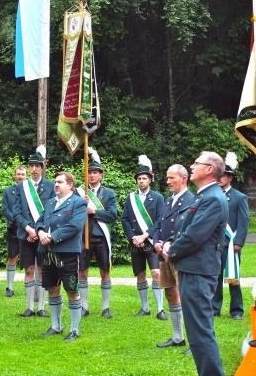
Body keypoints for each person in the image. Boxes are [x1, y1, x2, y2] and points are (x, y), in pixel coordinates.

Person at [164, 151, 228, 376]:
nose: (192, 166)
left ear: (209, 169)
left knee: (200, 328)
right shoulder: (205, 196)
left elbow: (195, 235)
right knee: (197, 327)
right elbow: (187, 229)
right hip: (194, 268)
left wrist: (172, 250)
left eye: (197, 163)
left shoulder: (212, 199)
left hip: (199, 270)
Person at [36, 171, 87, 341]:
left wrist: (52, 236)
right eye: (55, 182)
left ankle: (74, 330)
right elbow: (40, 220)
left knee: (71, 290)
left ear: (70, 185)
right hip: (48, 252)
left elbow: (75, 226)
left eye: (60, 182)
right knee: (52, 288)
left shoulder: (78, 203)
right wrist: (40, 232)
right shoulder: (50, 202)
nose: (56, 185)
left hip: (68, 252)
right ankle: (55, 326)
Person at [152, 164, 194, 348]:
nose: (168, 181)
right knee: (170, 292)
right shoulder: (168, 201)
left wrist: (168, 242)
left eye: (172, 178)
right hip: (164, 254)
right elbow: (159, 224)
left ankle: (194, 340)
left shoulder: (191, 200)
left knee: (186, 295)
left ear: (184, 179)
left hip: (180, 254)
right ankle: (178, 337)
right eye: (167, 177)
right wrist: (156, 242)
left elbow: (187, 229)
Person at [121, 155, 165, 319]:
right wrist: (133, 237)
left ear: (150, 180)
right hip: (136, 243)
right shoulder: (131, 198)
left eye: (144, 178)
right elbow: (125, 219)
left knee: (156, 273)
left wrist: (145, 236)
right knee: (140, 275)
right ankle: (145, 308)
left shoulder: (158, 197)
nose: (141, 181)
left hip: (151, 241)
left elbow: (160, 220)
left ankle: (160, 309)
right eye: (139, 178)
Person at [12, 146, 54, 317]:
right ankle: (29, 307)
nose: (34, 169)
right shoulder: (22, 187)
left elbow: (52, 211)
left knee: (42, 270)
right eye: (32, 166)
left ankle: (42, 307)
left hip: (43, 235)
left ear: (42, 168)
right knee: (29, 270)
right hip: (26, 234)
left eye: (37, 166)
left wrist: (39, 231)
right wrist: (29, 229)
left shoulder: (51, 186)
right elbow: (16, 212)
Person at [78, 148, 118, 318]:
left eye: (95, 172)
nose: (92, 175)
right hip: (83, 237)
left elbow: (112, 215)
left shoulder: (109, 193)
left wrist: (93, 211)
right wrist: (81, 205)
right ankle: (84, 306)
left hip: (101, 238)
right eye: (89, 172)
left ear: (101, 175)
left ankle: (105, 307)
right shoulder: (79, 193)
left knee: (105, 271)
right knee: (82, 271)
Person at [212, 152, 249, 319]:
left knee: (234, 279)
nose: (220, 179)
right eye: (218, 175)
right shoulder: (213, 195)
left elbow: (243, 222)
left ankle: (236, 310)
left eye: (223, 176)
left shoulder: (239, 197)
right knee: (215, 277)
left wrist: (238, 242)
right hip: (215, 243)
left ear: (230, 178)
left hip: (231, 243)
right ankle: (215, 308)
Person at [1, 166, 26, 297]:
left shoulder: (30, 191)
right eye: (18, 174)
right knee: (12, 257)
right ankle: (9, 287)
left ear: (26, 176)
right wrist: (17, 220)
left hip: (28, 230)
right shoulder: (7, 191)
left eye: (23, 174)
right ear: (15, 176)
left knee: (30, 259)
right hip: (13, 228)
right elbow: (5, 209)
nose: (20, 176)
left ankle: (31, 287)